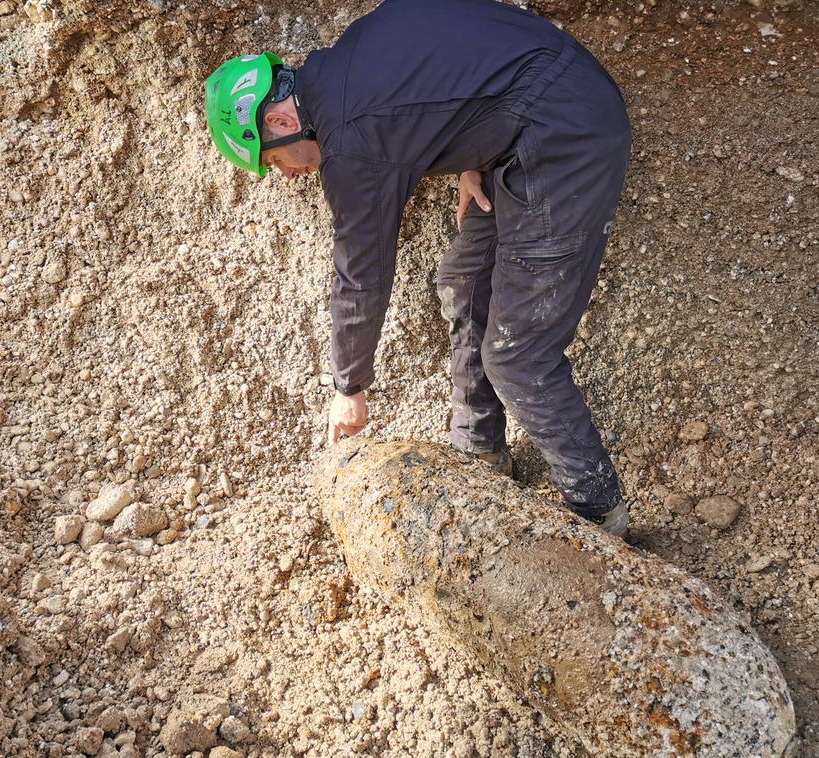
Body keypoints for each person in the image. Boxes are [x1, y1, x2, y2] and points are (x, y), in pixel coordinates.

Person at [204, 0, 631, 536]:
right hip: (526, 125)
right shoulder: (352, 58)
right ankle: (479, 452)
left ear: (280, 120)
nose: (285, 174)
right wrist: (475, 146)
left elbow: (361, 275)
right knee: (463, 278)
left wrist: (349, 388)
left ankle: (598, 512)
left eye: (271, 158)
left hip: (567, 135)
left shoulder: (351, 141)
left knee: (517, 354)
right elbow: (457, 66)